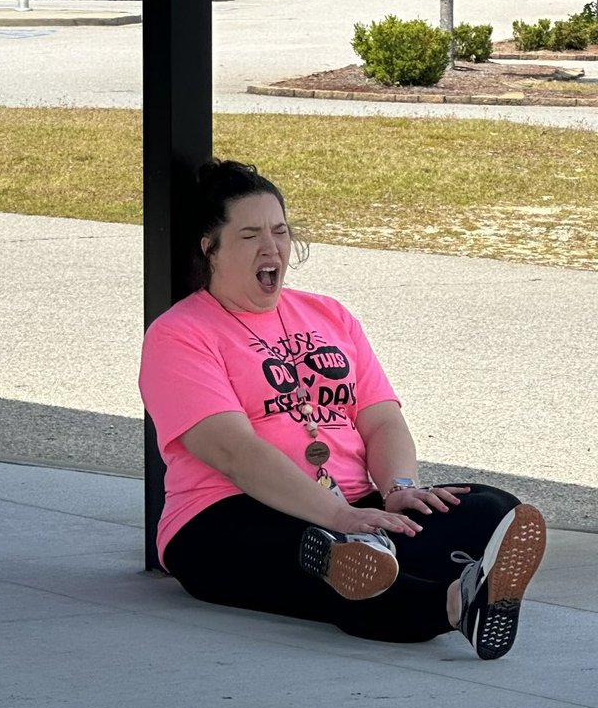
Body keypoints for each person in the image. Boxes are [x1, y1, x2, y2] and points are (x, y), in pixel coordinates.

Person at [139, 159, 546, 658]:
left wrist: (398, 489)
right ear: (211, 248)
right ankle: (450, 601)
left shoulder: (328, 314)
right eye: (249, 236)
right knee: (318, 554)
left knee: (490, 509)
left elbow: (380, 417)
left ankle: (390, 565)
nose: (271, 248)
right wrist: (337, 516)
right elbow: (235, 454)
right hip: (228, 516)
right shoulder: (180, 335)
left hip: (352, 505)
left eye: (280, 231)